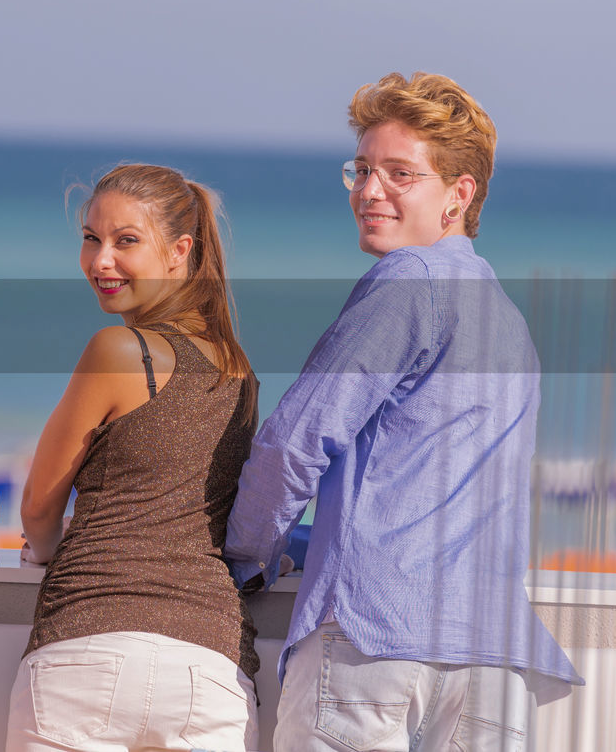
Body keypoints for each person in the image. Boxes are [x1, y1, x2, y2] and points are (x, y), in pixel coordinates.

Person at [225, 72, 583, 751]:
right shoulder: (509, 324)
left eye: (398, 173)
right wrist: (302, 545)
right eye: (361, 170)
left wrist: (243, 554)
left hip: (375, 643)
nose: (369, 190)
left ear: (460, 193)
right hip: (490, 659)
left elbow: (294, 444)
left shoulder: (407, 281)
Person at [6, 164, 261, 751]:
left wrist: (44, 549)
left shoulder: (119, 351)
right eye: (91, 238)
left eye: (125, 241)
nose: (100, 261)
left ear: (180, 251)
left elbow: (40, 507)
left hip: (87, 649)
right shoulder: (239, 373)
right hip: (210, 667)